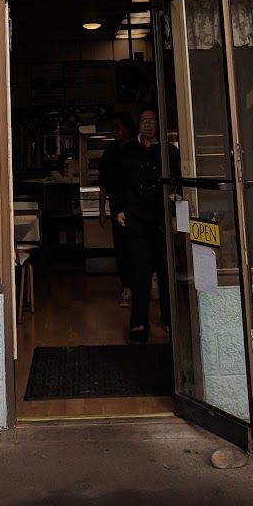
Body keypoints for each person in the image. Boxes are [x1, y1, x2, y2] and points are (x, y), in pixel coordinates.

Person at [109, 106, 178, 342]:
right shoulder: (128, 151)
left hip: (162, 218)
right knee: (139, 272)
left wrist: (175, 215)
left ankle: (169, 319)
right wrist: (118, 209)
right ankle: (139, 322)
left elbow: (177, 183)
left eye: (152, 121)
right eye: (143, 120)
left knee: (166, 271)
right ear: (138, 125)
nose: (147, 124)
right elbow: (116, 183)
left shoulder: (169, 151)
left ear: (159, 125)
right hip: (136, 218)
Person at [98, 110, 135, 305]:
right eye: (113, 129)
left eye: (119, 128)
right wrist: (101, 209)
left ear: (129, 128)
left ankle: (143, 284)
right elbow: (103, 183)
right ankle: (127, 287)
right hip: (116, 208)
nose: (116, 132)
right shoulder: (110, 151)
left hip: (136, 208)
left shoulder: (137, 148)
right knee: (121, 249)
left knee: (137, 248)